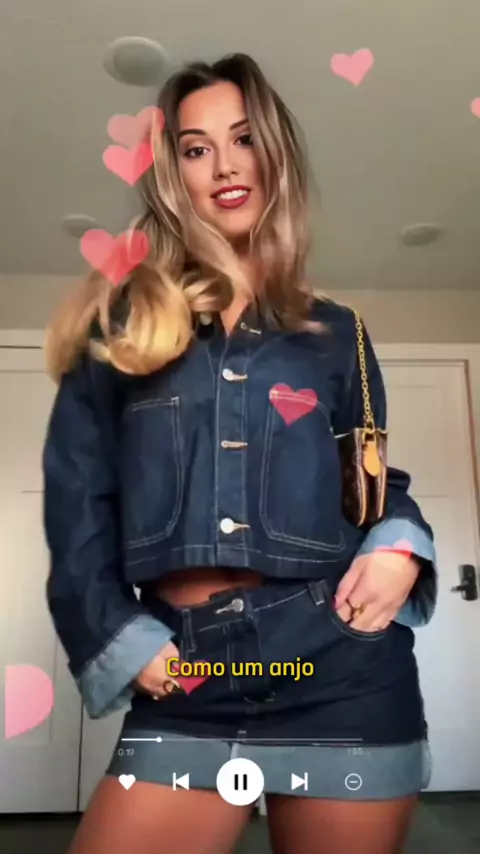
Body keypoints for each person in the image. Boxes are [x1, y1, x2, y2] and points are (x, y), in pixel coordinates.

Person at [42, 53, 437, 854]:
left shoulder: (339, 335)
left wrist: (399, 545)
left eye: (245, 138)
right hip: (186, 673)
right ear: (173, 174)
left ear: (275, 154)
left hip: (343, 666)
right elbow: (78, 503)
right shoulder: (118, 329)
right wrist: (122, 640)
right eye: (196, 148)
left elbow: (370, 481)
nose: (224, 165)